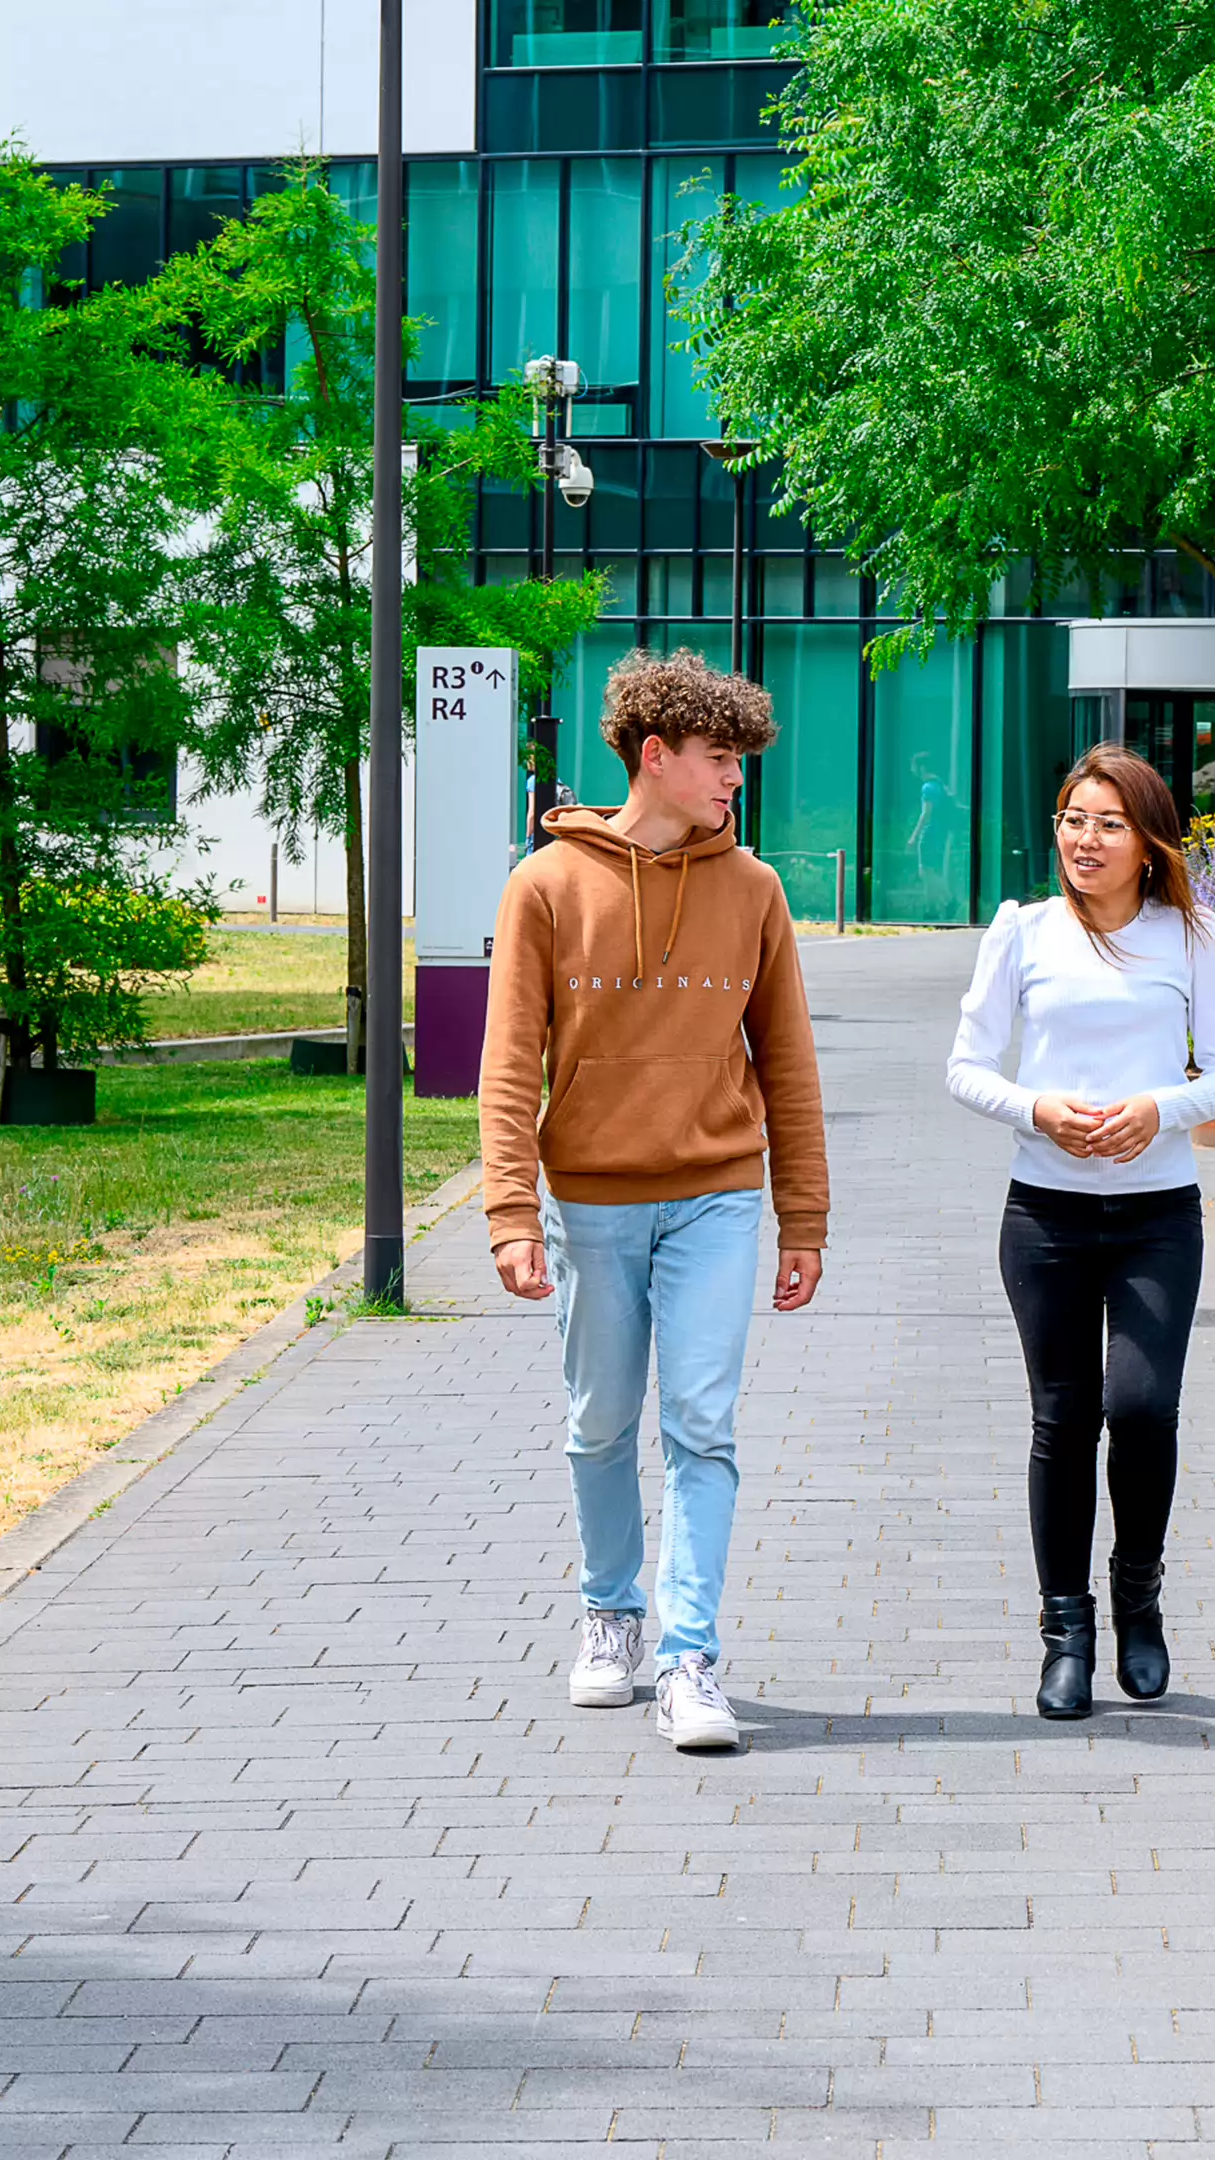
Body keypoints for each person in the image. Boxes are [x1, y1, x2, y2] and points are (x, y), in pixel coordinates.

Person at [481, 649, 829, 1753]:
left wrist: (803, 1219)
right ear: (654, 756)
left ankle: (689, 1659)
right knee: (599, 1423)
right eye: (721, 760)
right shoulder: (544, 886)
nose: (736, 780)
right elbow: (506, 1067)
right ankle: (609, 1615)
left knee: (701, 1427)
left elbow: (789, 1065)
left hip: (718, 1198)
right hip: (590, 1202)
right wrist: (508, 1212)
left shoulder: (755, 890)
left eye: (740, 762)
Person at [945, 743, 1215, 1719]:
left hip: (1160, 1214)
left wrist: (1161, 1109)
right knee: (1063, 1421)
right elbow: (967, 1064)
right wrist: (1035, 1111)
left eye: (1108, 823)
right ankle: (1065, 1634)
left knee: (1147, 1407)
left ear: (1149, 840)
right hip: (1046, 1216)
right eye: (1074, 819)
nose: (1085, 838)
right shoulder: (1022, 933)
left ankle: (1140, 1597)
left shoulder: (1196, 937)